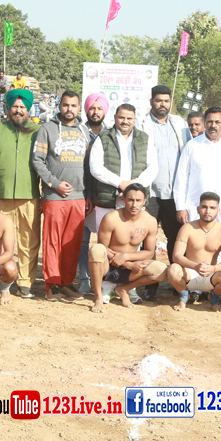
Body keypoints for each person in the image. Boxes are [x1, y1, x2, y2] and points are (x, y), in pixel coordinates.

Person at [0, 88, 40, 297]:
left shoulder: (38, 131)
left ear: (28, 109)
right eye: (15, 106)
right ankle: (1, 279)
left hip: (29, 195)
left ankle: (25, 282)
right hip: (0, 196)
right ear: (8, 108)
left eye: (22, 107)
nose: (18, 110)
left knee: (28, 241)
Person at [32, 89, 88, 300]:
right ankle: (52, 284)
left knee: (71, 244)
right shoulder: (47, 129)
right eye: (65, 105)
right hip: (55, 195)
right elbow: (37, 160)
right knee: (52, 242)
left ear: (78, 108)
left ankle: (67, 283)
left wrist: (87, 193)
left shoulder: (84, 131)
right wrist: (55, 184)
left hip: (79, 195)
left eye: (73, 105)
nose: (69, 109)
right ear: (59, 105)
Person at [136, 85, 191, 299]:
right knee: (147, 239)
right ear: (151, 101)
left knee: (175, 238)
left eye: (166, 101)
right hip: (150, 192)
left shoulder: (179, 124)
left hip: (174, 193)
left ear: (170, 102)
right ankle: (150, 284)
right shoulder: (141, 123)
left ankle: (177, 283)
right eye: (158, 100)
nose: (162, 104)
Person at [88, 183, 167, 312]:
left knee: (161, 270)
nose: (134, 204)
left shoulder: (150, 221)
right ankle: (98, 297)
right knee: (96, 250)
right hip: (108, 265)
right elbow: (103, 247)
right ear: (123, 199)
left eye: (138, 200)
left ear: (144, 201)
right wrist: (127, 264)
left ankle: (124, 289)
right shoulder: (111, 218)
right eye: (130, 200)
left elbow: (149, 252)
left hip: (131, 269)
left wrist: (126, 258)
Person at [89, 103, 158, 228]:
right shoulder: (103, 138)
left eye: (129, 118)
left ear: (134, 119)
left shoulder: (144, 139)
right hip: (108, 200)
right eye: (121, 117)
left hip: (135, 202)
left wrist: (132, 188)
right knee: (105, 239)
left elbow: (153, 168)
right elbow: (95, 167)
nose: (125, 121)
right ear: (115, 117)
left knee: (133, 238)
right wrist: (120, 183)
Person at [167, 192, 221, 311]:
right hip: (190, 273)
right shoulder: (187, 228)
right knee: (173, 269)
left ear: (218, 211)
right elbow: (176, 256)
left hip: (211, 275)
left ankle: (214, 296)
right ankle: (183, 296)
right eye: (204, 207)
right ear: (198, 209)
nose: (207, 211)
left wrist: (213, 268)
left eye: (212, 208)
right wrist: (195, 266)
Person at [174, 107, 221, 228]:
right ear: (204, 123)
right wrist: (180, 207)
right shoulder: (192, 145)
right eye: (209, 122)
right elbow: (181, 178)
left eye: (217, 122)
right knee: (195, 238)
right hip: (195, 207)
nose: (213, 125)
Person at [77, 92, 110, 296]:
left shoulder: (111, 133)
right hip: (81, 190)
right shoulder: (78, 132)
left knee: (106, 240)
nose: (95, 112)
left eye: (99, 108)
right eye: (92, 108)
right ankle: (84, 278)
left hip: (104, 193)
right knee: (82, 240)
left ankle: (104, 278)